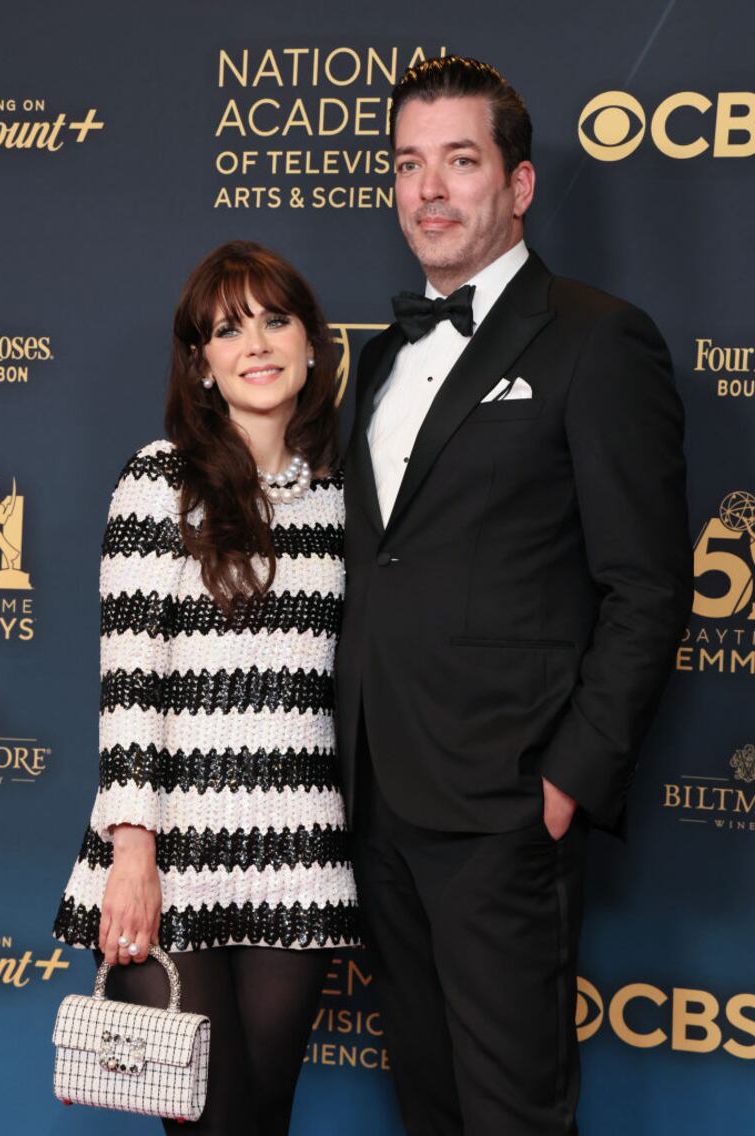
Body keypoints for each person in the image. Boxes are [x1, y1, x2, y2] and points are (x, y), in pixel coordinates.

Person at [336, 56, 692, 1135]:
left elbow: (645, 584)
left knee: (510, 1114)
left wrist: (564, 782)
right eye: (408, 164)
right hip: (375, 797)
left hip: (501, 805)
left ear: (519, 184)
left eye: (458, 160)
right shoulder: (383, 352)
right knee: (429, 1105)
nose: (428, 189)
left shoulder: (595, 338)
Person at [54, 240, 359, 1136]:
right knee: (210, 1122)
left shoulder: (346, 497)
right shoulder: (160, 481)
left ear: (312, 344)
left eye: (276, 319)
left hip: (296, 856)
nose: (257, 344)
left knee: (262, 1118)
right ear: (202, 362)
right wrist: (133, 855)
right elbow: (129, 677)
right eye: (229, 329)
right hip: (168, 857)